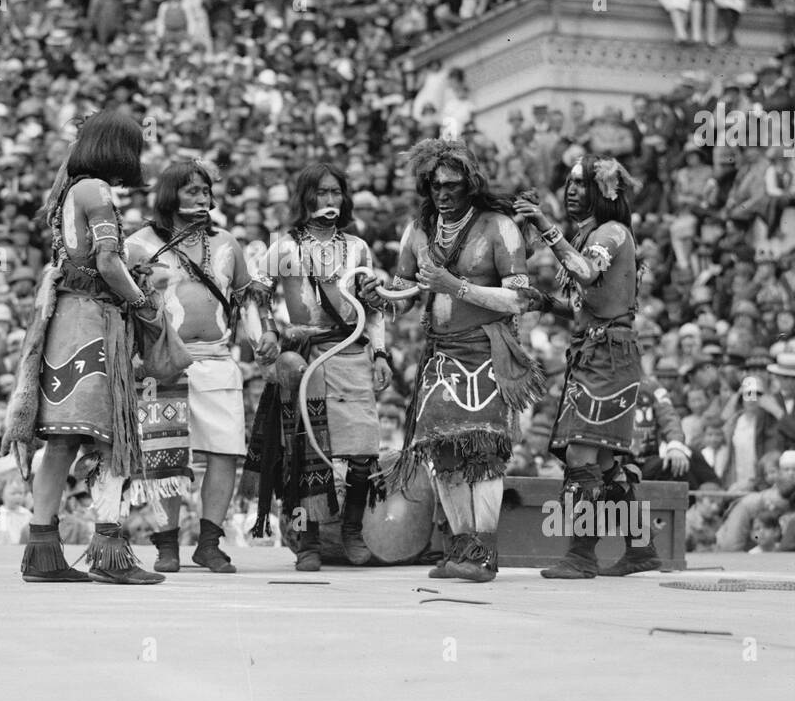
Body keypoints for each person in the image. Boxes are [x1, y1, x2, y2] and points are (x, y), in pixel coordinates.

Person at [369, 140, 544, 582]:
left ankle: (484, 552)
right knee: (445, 452)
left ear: (471, 183)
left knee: (482, 452)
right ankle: (460, 547)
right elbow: (403, 298)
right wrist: (376, 295)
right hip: (441, 355)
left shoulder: (498, 226)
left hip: (487, 351)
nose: (443, 193)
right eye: (435, 185)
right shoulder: (419, 231)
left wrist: (454, 285)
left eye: (452, 184)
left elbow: (519, 299)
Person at [1, 111, 164, 584]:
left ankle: (43, 554)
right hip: (93, 320)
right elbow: (109, 261)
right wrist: (141, 301)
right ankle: (110, 553)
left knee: (62, 440)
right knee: (110, 436)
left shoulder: (69, 192)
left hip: (65, 320)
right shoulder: (97, 191)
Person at [514, 154, 655, 578]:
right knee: (606, 462)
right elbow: (587, 306)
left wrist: (542, 224)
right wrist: (544, 302)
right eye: (569, 183)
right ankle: (642, 550)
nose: (572, 190)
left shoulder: (611, 233)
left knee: (581, 453)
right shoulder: (592, 233)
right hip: (598, 352)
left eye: (582, 184)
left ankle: (581, 555)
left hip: (608, 355)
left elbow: (588, 273)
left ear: (602, 192)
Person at [250, 163, 389, 571]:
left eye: (335, 193)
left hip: (353, 353)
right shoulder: (284, 247)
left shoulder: (359, 248)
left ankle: (351, 532)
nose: (329, 201)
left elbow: (374, 310)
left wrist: (380, 353)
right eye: (320, 193)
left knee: (363, 450)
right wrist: (271, 333)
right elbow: (258, 295)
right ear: (305, 196)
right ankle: (307, 541)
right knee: (305, 449)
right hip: (307, 357)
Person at [126, 160, 252, 574]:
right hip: (162, 363)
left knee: (226, 451)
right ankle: (167, 545)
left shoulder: (227, 243)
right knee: (164, 455)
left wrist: (259, 336)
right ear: (169, 194)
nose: (202, 197)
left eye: (205, 191)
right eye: (191, 190)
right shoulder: (140, 245)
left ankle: (210, 543)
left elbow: (247, 298)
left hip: (217, 359)